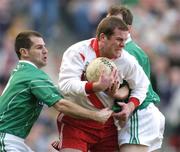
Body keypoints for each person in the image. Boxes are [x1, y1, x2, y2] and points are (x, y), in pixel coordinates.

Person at [0, 30, 113, 152]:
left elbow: (63, 94)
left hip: (13, 140)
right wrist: (95, 115)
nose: (45, 50)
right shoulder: (33, 76)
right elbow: (61, 104)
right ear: (24, 52)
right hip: (6, 140)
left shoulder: (24, 72)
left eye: (44, 46)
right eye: (39, 47)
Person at [53, 16, 150, 152]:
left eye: (125, 40)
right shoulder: (77, 52)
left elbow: (142, 85)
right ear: (103, 37)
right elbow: (65, 85)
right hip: (76, 122)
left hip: (107, 123)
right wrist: (95, 86)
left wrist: (130, 106)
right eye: (119, 40)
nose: (123, 45)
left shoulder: (127, 60)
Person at [107, 5, 165, 152]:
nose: (110, 26)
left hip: (138, 114)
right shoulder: (123, 49)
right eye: (108, 20)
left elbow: (130, 89)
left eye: (117, 23)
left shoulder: (127, 52)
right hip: (136, 114)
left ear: (128, 29)